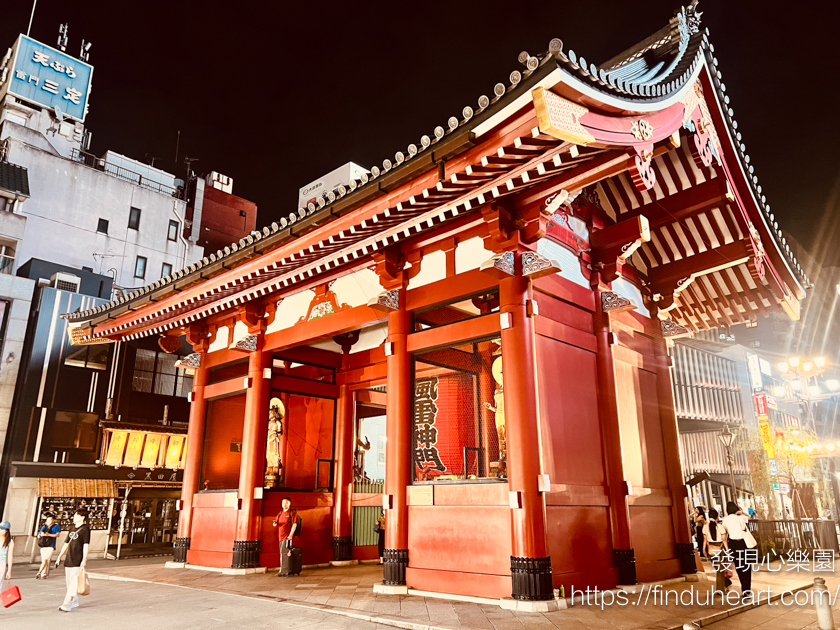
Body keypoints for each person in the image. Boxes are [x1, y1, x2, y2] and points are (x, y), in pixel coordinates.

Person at [54, 508, 90, 612]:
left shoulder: (85, 529)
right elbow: (66, 543)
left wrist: (84, 559)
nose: (74, 517)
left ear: (82, 517)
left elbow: (86, 545)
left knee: (73, 582)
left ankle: (67, 604)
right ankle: (74, 601)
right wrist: (59, 557)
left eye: (76, 515)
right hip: (69, 558)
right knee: (69, 582)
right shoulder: (72, 528)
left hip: (78, 559)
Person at [722, 501, 753, 599]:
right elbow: (749, 517)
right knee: (747, 566)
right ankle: (746, 590)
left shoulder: (725, 519)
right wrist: (741, 512)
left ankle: (743, 588)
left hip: (733, 544)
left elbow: (725, 531)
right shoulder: (741, 518)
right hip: (743, 543)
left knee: (739, 567)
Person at [703, 509, 731, 593]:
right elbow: (724, 540)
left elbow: (705, 540)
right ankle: (721, 588)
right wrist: (728, 551)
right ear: (717, 517)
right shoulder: (720, 527)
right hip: (720, 548)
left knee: (718, 568)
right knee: (720, 569)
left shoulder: (705, 527)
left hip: (711, 549)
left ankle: (724, 585)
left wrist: (704, 550)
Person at [272, 497, 298, 577]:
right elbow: (275, 523)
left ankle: (284, 570)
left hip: (287, 536)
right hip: (280, 536)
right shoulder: (280, 513)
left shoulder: (292, 513)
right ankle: (283, 569)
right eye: (283, 502)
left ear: (290, 504)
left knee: (285, 552)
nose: (284, 504)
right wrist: (275, 524)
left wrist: (291, 535)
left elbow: (294, 524)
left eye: (286, 502)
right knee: (282, 553)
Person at [36, 513, 61, 579]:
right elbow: (39, 534)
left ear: (53, 520)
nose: (49, 521)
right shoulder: (44, 526)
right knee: (44, 560)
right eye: (48, 520)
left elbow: (57, 535)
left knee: (45, 559)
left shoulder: (56, 527)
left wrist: (48, 534)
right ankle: (44, 573)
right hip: (43, 545)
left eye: (50, 520)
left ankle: (40, 572)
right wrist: (41, 535)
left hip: (50, 545)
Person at [0, 521, 13, 594]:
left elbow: (10, 556)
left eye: (2, 529)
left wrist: (9, 570)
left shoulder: (10, 541)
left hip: (1, 563)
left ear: (6, 531)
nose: (1, 530)